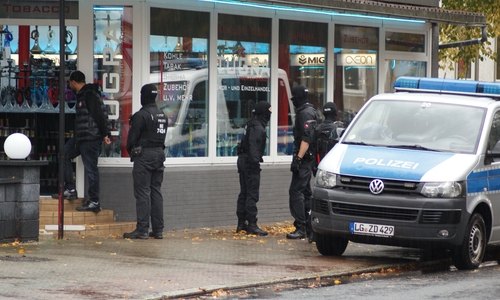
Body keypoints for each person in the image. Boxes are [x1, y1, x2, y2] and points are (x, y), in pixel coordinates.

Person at [52, 70, 111, 213]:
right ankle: (71, 188)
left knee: (91, 169)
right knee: (64, 154)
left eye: (69, 83)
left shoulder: (89, 95)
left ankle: (94, 201)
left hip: (90, 138)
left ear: (73, 82)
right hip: (81, 137)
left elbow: (100, 115)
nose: (68, 86)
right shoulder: (83, 95)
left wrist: (105, 134)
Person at [123, 84, 167, 239]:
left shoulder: (141, 115)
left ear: (144, 96)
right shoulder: (162, 114)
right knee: (156, 191)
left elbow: (131, 140)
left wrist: (132, 151)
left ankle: (142, 229)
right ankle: (158, 229)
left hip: (144, 156)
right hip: (159, 154)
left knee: (143, 192)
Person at [236, 101, 272, 236]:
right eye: (269, 111)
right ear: (264, 112)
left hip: (243, 160)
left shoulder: (251, 123)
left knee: (244, 192)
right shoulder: (258, 127)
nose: (270, 114)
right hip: (250, 163)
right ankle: (252, 224)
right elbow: (253, 147)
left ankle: (241, 223)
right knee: (252, 194)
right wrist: (255, 164)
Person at [287, 85, 318, 241]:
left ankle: (301, 227)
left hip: (304, 160)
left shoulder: (304, 114)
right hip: (309, 160)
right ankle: (310, 227)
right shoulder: (311, 111)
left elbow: (306, 139)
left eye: (293, 98)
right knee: (306, 193)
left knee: (295, 192)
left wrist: (298, 159)